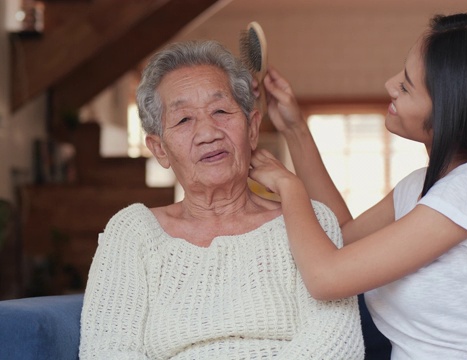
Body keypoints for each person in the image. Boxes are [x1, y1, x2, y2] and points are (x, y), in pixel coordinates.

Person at [249, 13, 467, 360]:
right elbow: (340, 233)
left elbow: (325, 278)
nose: (389, 84)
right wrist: (295, 130)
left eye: (406, 86)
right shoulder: (421, 186)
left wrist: (288, 186)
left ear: (450, 113)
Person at [78, 40, 364, 359]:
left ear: (252, 129)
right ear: (160, 149)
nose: (208, 132)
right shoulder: (132, 233)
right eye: (184, 120)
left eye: (221, 111)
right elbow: (107, 349)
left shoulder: (312, 222)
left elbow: (338, 344)